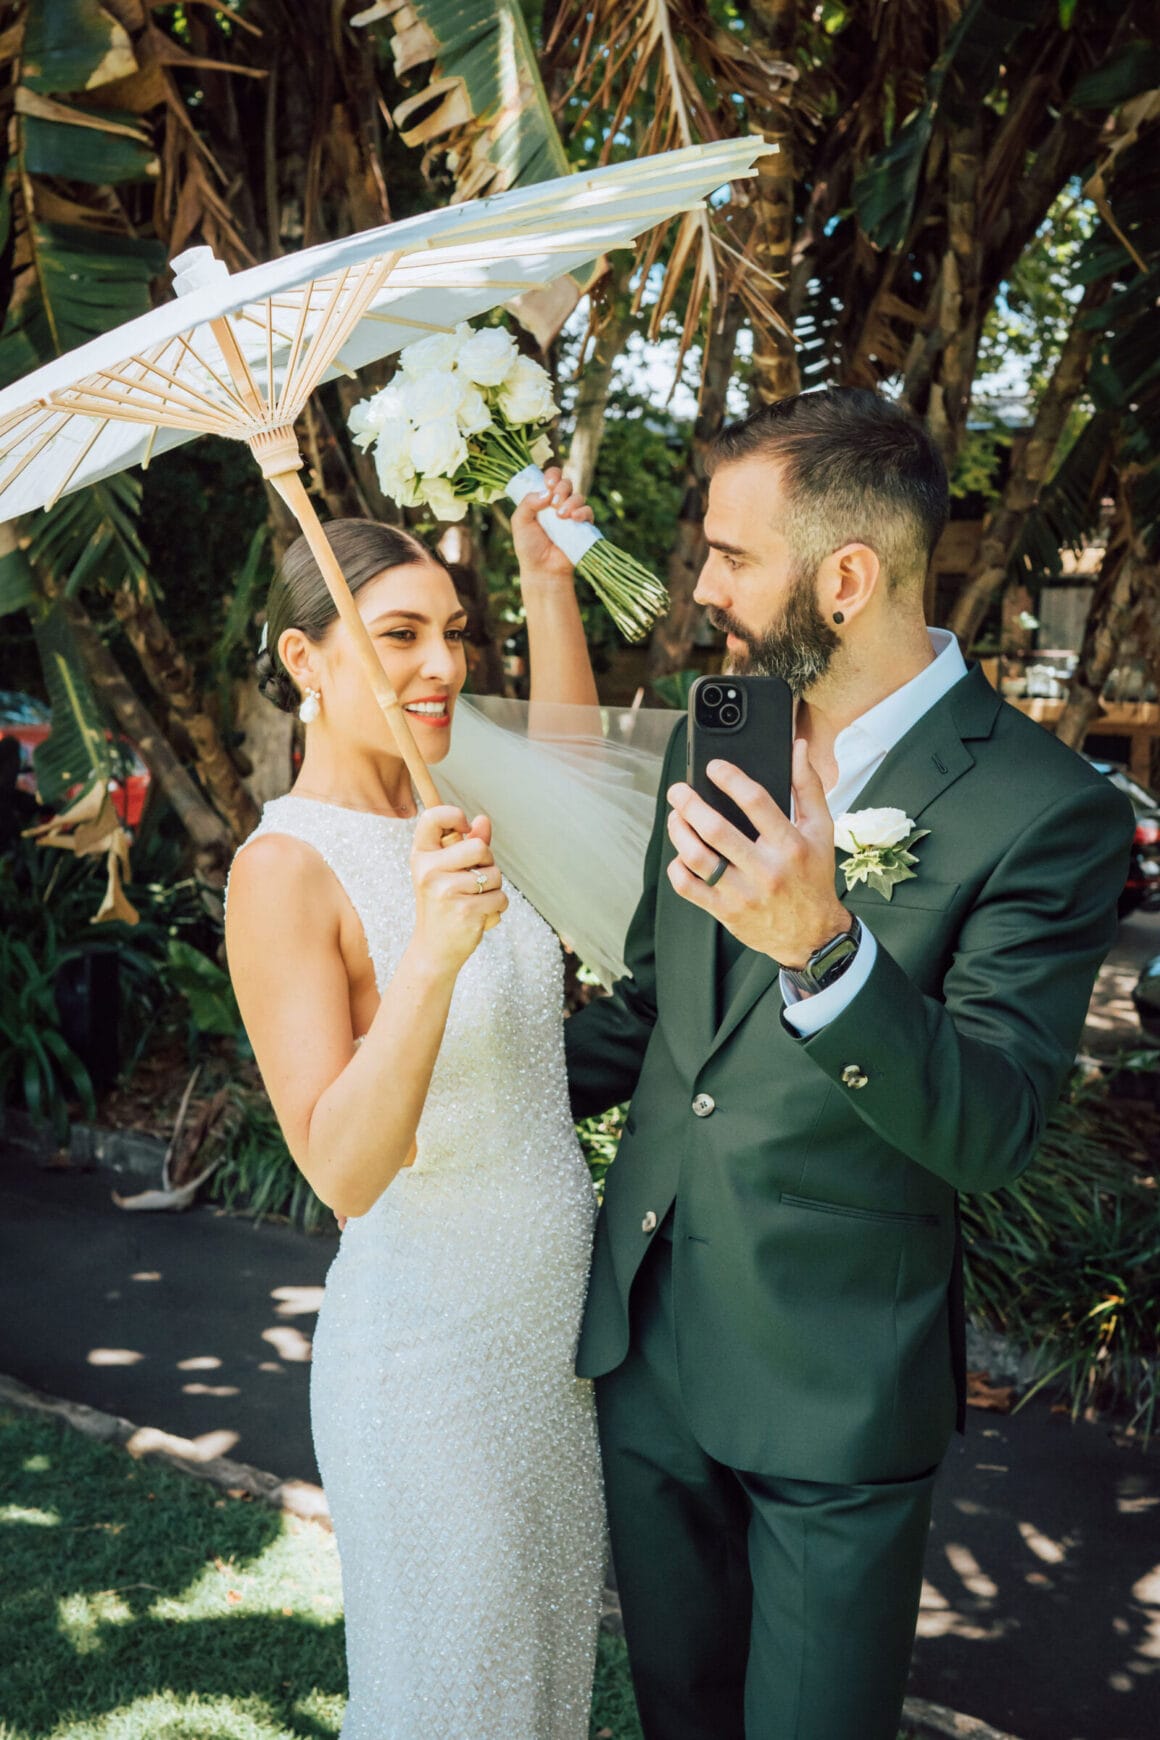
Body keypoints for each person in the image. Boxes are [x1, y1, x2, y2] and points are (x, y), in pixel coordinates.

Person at [563, 387, 1135, 1740]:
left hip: (836, 1381)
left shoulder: (1044, 812)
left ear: (846, 577)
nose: (703, 587)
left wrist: (824, 950)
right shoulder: (714, 737)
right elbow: (656, 1014)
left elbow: (993, 1124)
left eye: (731, 556)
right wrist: (452, 1058)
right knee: (678, 1713)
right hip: (650, 1347)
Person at [224, 471, 606, 1739]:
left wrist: (544, 579)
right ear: (305, 659)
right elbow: (340, 1169)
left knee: (538, 1700)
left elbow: (579, 783)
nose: (441, 665)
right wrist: (431, 961)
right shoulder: (285, 869)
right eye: (398, 635)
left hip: (549, 1354)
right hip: (429, 1366)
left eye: (453, 632)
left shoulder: (453, 794)